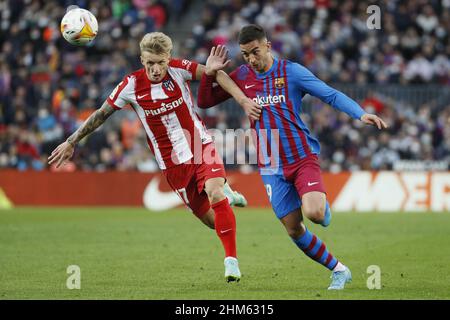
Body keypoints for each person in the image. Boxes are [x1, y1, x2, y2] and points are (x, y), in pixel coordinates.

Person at [48, 32, 260, 282]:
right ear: (141, 60)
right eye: (150, 63)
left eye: (160, 62)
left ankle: (231, 261)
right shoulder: (130, 85)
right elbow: (101, 114)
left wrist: (242, 100)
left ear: (168, 59)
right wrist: (72, 141)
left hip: (200, 145)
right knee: (215, 222)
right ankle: (228, 196)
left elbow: (217, 74)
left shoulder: (179, 69)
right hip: (172, 166)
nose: (156, 69)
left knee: (214, 193)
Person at [197, 25, 388, 290]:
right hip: (271, 166)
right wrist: (208, 74)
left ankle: (321, 208)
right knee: (293, 229)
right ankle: (339, 270)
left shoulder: (292, 72)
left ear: (267, 45)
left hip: (301, 157)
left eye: (255, 52)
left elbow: (329, 94)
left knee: (315, 214)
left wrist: (359, 113)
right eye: (245, 54)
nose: (251, 59)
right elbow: (205, 102)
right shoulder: (242, 76)